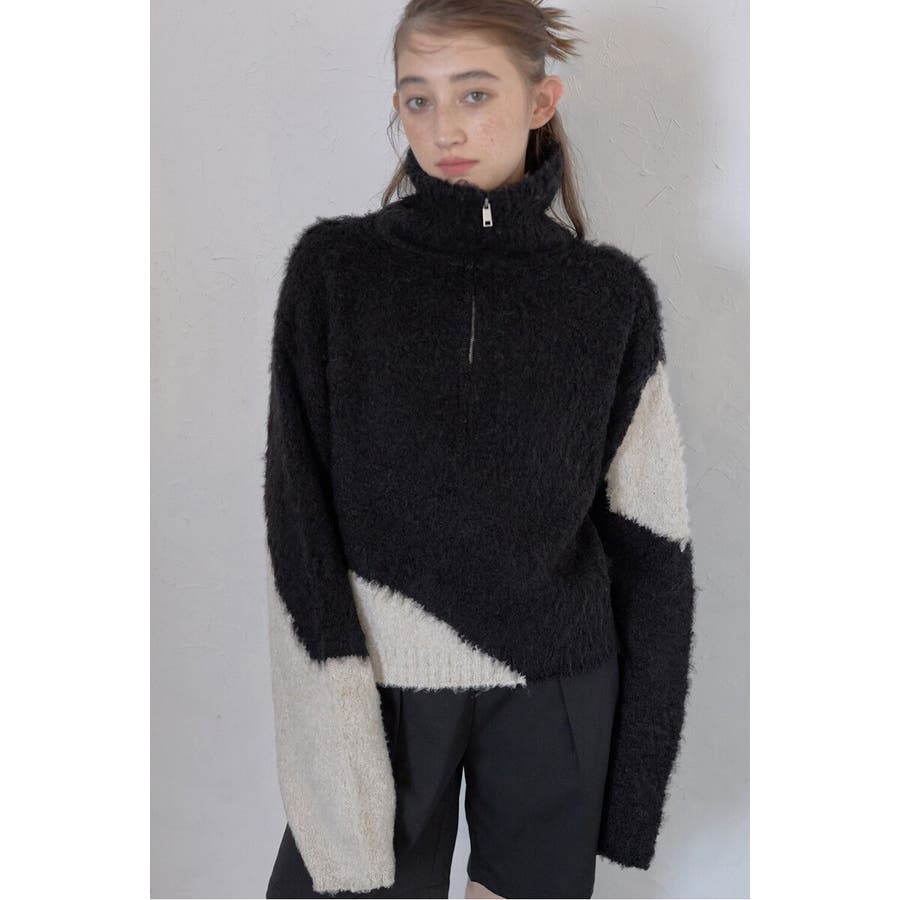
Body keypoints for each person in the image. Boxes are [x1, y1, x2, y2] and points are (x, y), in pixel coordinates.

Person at [262, 2, 696, 898]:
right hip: (385, 679)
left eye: (473, 93)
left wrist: (631, 793)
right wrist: (329, 693)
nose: (444, 128)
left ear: (541, 102)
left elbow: (652, 541)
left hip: (555, 682)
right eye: (417, 99)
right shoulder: (335, 273)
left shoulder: (606, 297)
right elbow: (296, 514)